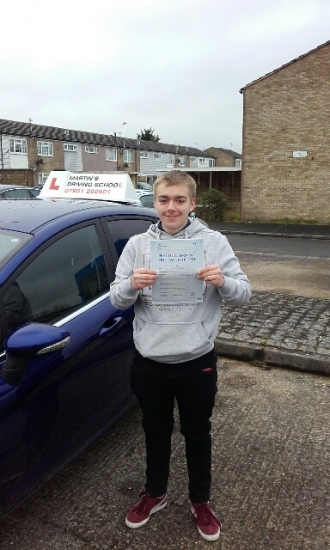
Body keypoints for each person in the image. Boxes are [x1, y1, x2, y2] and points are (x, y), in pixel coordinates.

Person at [109, 170, 251, 542]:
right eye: (164, 200)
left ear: (192, 203)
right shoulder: (138, 245)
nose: (171, 208)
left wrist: (222, 281)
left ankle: (200, 500)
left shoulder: (214, 242)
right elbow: (116, 298)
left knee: (197, 432)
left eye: (179, 200)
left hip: (196, 358)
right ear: (154, 203)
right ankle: (155, 493)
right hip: (150, 361)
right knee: (155, 431)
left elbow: (243, 294)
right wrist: (130, 286)